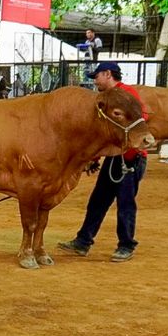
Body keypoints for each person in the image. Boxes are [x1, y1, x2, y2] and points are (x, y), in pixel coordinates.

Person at [57, 62, 149, 263]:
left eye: (97, 76)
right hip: (114, 157)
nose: (94, 81)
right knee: (98, 200)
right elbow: (101, 132)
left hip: (130, 157)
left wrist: (129, 154)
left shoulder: (126, 94)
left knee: (125, 202)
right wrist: (96, 157)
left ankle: (126, 245)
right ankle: (83, 241)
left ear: (108, 74)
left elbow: (138, 123)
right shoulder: (105, 99)